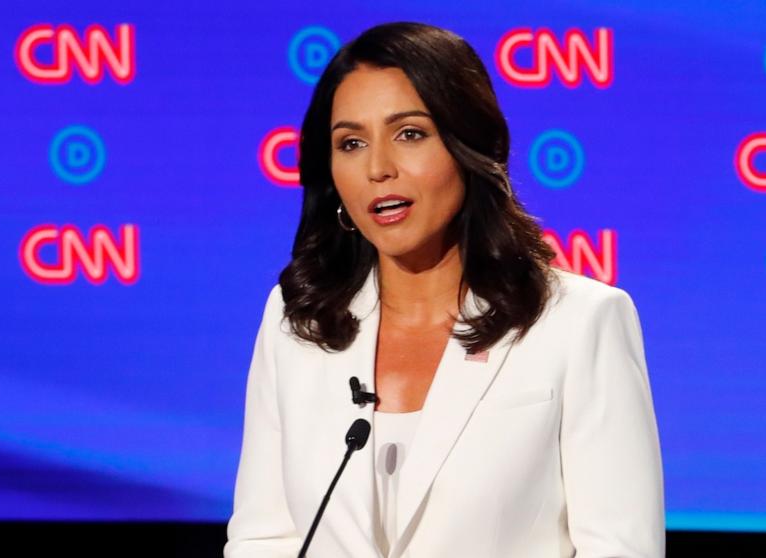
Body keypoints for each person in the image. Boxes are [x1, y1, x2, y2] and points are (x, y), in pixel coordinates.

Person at [224, 21, 664, 558]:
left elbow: (621, 549)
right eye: (351, 143)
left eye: (410, 134)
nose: (378, 168)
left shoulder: (578, 321)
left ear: (468, 145)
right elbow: (264, 538)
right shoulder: (299, 319)